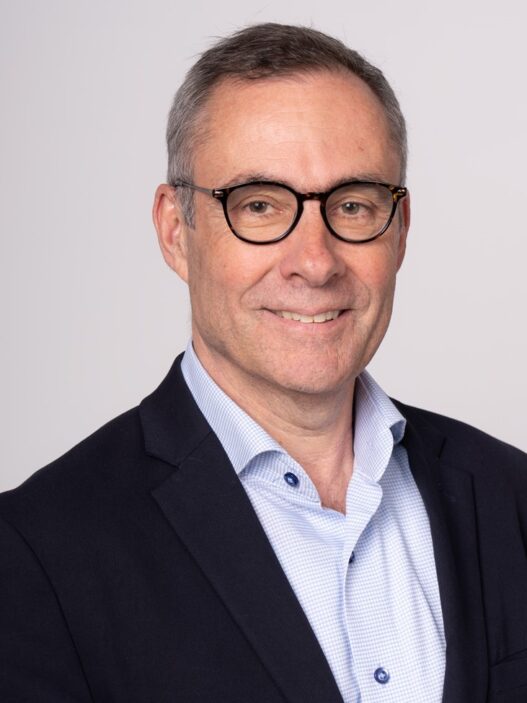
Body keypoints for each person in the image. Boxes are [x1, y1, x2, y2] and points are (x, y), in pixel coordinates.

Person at [1, 22, 526, 703]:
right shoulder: (37, 553)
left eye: (352, 205)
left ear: (399, 231)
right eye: (258, 206)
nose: (314, 261)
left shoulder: (511, 497)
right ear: (175, 230)